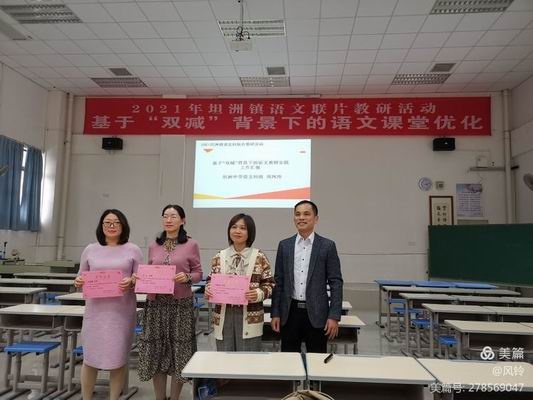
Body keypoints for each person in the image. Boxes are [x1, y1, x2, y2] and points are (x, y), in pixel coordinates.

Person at [74, 209, 142, 400]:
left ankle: (114, 398)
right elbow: (80, 276)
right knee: (90, 359)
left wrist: (132, 281)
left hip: (121, 313)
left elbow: (141, 279)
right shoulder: (90, 249)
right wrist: (78, 281)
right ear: (101, 226)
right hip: (95, 313)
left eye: (116, 222)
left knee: (118, 359)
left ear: (123, 226)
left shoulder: (133, 249)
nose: (112, 226)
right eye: (107, 222)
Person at [137, 204, 202, 400]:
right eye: (165, 216)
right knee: (156, 351)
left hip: (180, 305)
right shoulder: (153, 245)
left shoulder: (191, 244)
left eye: (174, 216)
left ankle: (174, 397)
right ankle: (159, 397)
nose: (169, 219)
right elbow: (148, 271)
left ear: (183, 220)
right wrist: (140, 279)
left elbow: (198, 273)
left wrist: (187, 277)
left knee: (179, 351)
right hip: (155, 305)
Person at [270, 200, 343, 353]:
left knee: (317, 360)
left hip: (318, 314)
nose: (301, 217)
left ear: (316, 219)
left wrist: (334, 316)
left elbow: (336, 282)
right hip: (289, 313)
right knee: (289, 360)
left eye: (306, 214)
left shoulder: (327, 246)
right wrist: (275, 313)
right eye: (297, 214)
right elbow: (279, 282)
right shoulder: (285, 245)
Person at [205, 213, 275, 351]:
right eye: (234, 227)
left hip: (250, 315)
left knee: (248, 359)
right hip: (224, 314)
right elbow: (210, 280)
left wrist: (258, 294)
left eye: (243, 228)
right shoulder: (219, 256)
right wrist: (209, 289)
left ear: (250, 232)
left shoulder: (259, 257)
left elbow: (269, 284)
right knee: (224, 357)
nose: (237, 231)